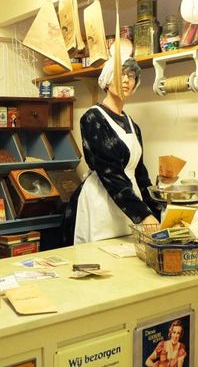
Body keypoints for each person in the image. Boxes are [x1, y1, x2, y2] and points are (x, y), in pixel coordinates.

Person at [67, 54, 160, 244]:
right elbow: (110, 174)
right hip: (102, 201)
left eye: (131, 76)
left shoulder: (133, 125)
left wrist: (156, 210)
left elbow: (140, 174)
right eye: (120, 74)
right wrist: (143, 215)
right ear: (107, 80)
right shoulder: (93, 118)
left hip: (130, 202)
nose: (126, 80)